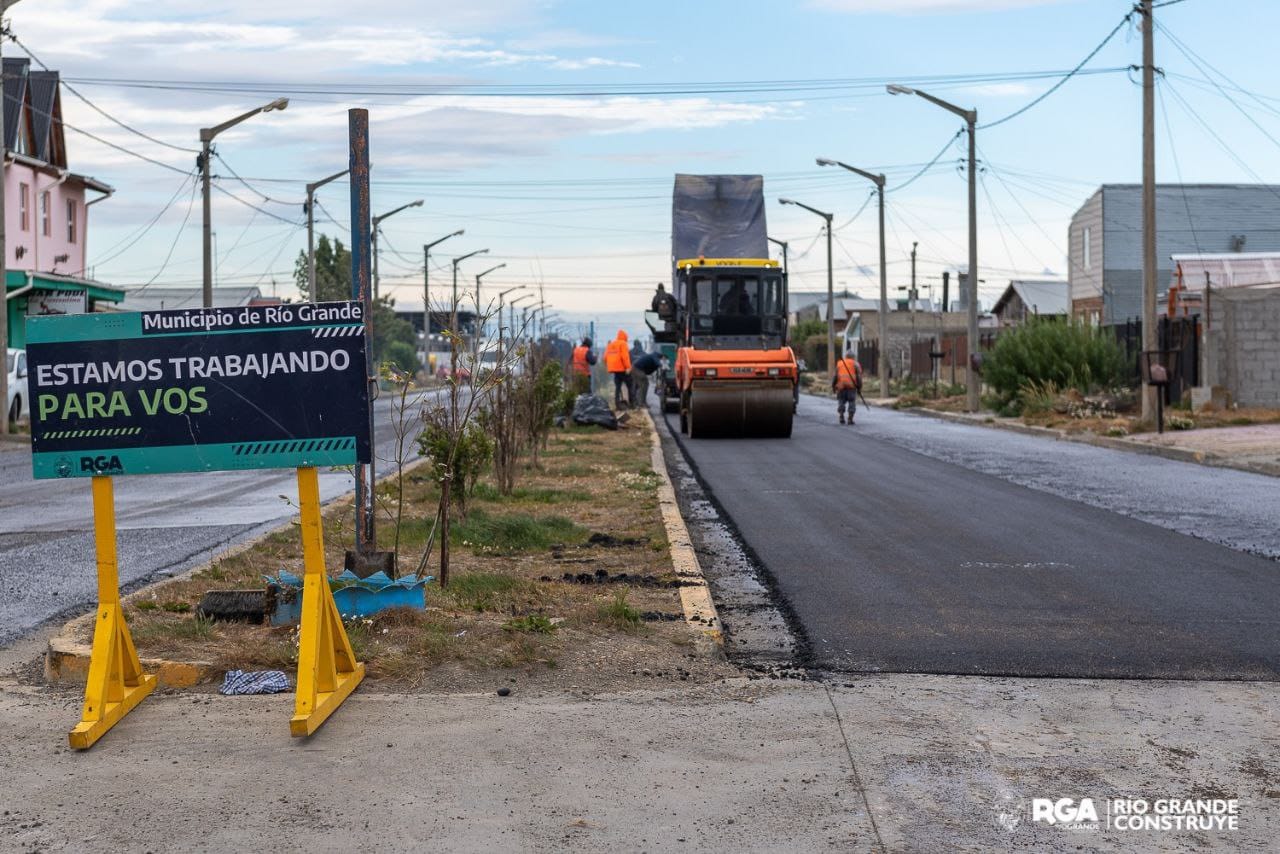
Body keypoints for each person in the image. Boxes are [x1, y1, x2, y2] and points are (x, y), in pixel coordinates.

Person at [603, 329, 633, 409]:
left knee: (618, 387)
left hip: (615, 370)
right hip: (623, 369)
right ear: (625, 337)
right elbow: (625, 357)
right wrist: (628, 367)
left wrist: (610, 365)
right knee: (630, 385)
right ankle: (632, 404)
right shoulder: (623, 344)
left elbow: (605, 358)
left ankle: (617, 404)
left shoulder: (610, 344)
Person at [832, 348, 862, 425]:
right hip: (851, 387)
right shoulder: (856, 364)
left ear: (846, 356)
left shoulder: (839, 363)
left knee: (841, 400)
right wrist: (859, 387)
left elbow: (835, 376)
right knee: (852, 401)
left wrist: (833, 386)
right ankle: (850, 419)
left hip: (841, 386)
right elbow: (859, 377)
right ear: (853, 357)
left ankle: (841, 416)